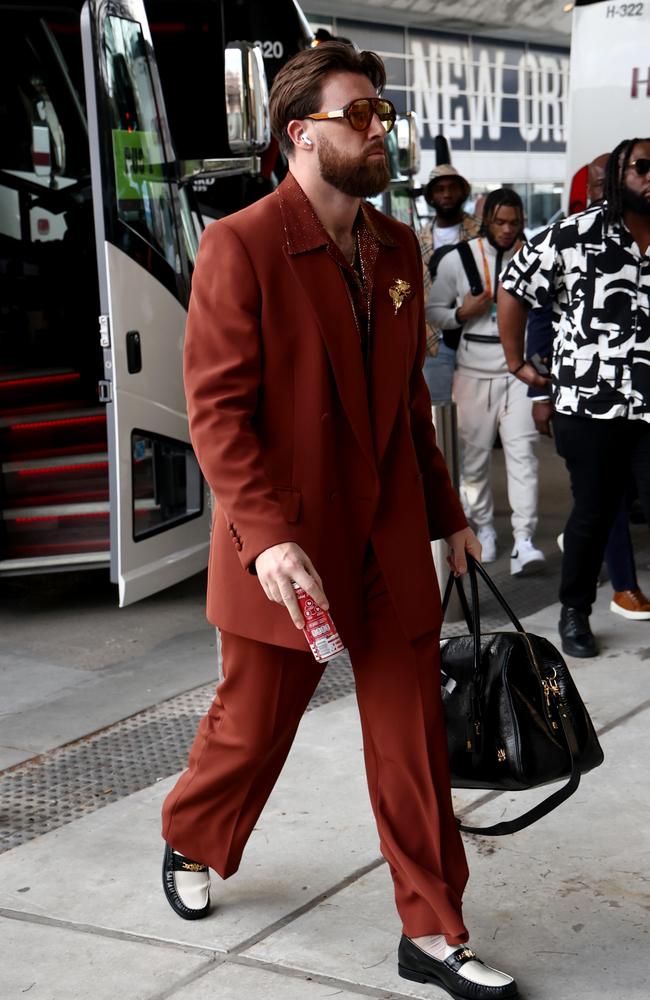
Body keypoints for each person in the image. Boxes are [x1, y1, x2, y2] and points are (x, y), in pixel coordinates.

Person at [160, 42, 517, 1000]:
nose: (378, 129)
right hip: (289, 548)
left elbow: (407, 407)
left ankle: (434, 929)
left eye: (382, 112)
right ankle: (193, 836)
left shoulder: (398, 247)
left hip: (391, 539)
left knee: (413, 742)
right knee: (253, 728)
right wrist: (268, 536)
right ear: (300, 134)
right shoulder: (239, 244)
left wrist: (449, 517)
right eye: (358, 114)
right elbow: (218, 413)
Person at [498, 136, 650, 658]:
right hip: (590, 405)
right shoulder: (572, 235)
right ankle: (574, 610)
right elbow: (514, 286)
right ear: (618, 178)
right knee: (593, 511)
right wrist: (518, 363)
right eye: (643, 167)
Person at [428, 189, 545, 575]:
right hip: (473, 369)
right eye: (501, 222)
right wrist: (465, 311)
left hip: (520, 371)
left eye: (515, 222)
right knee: (474, 459)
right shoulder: (458, 259)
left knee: (523, 455)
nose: (508, 230)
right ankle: (484, 529)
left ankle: (524, 540)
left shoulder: (536, 256)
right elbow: (434, 312)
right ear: (487, 220)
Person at [418, 165, 480, 404]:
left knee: (475, 410)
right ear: (431, 196)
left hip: (475, 333)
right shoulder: (418, 237)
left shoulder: (481, 231)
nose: (446, 195)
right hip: (435, 338)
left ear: (463, 191)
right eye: (440, 189)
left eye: (452, 188)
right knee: (438, 409)